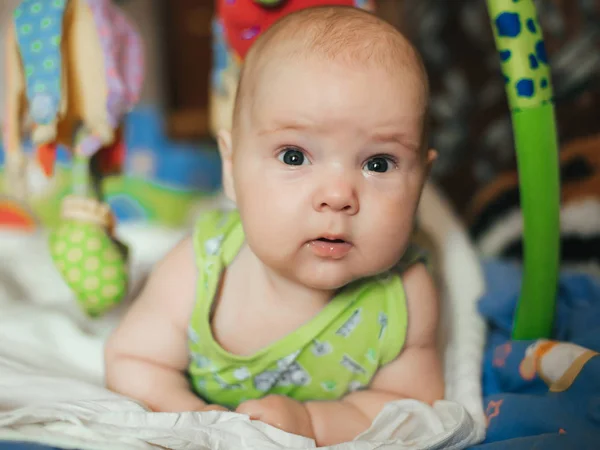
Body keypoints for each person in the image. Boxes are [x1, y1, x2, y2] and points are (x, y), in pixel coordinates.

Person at [105, 6, 443, 446]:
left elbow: (410, 407)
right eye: (294, 156)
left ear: (421, 180)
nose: (338, 195)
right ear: (231, 167)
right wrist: (195, 419)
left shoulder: (405, 297)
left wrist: (311, 423)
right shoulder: (201, 269)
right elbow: (132, 360)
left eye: (378, 163)